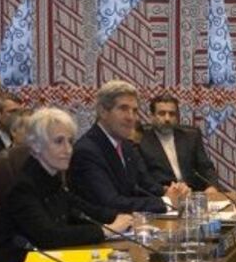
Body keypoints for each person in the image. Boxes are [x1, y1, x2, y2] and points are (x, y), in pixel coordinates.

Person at [0, 108, 132, 262]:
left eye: (70, 141)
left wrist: (123, 218)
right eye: (59, 142)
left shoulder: (52, 178)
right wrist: (106, 230)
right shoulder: (23, 188)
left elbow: (83, 209)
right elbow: (49, 236)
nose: (68, 150)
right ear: (36, 146)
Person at [69, 81, 189, 215]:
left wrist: (171, 191)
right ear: (103, 111)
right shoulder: (87, 151)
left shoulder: (125, 145)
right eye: (123, 109)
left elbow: (142, 185)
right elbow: (111, 203)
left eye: (135, 111)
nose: (131, 117)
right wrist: (165, 202)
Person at [137, 93, 218, 191]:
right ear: (152, 116)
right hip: (162, 193)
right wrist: (164, 190)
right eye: (162, 114)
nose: (167, 119)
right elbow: (142, 177)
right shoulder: (141, 139)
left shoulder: (191, 136)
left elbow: (206, 167)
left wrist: (212, 186)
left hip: (192, 192)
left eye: (172, 114)